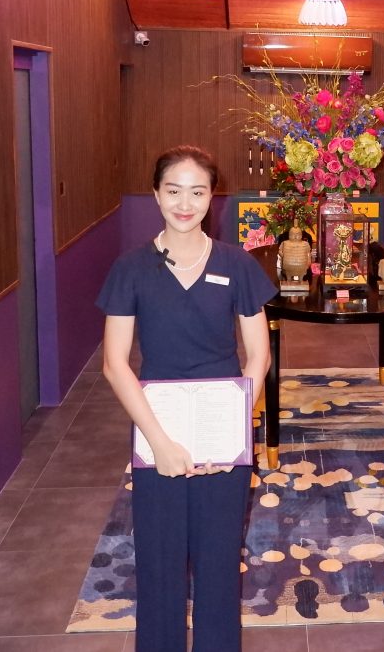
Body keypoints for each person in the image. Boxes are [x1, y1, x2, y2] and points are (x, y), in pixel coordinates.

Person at [97, 145, 275, 652]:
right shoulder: (131, 268)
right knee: (159, 563)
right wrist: (160, 442)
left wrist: (231, 432)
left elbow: (258, 356)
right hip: (158, 428)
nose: (185, 203)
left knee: (219, 562)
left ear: (212, 197)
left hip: (223, 428)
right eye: (173, 191)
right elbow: (115, 364)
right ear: (156, 195)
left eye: (197, 192)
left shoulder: (236, 264)